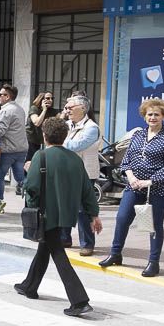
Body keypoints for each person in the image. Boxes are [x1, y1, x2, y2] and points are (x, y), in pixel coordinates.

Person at [15, 117, 101, 316]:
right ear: (65, 136)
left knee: (58, 254)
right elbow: (87, 190)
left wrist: (28, 172)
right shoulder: (75, 159)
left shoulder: (41, 156)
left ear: (44, 136)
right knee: (45, 247)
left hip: (46, 215)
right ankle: (29, 285)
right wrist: (93, 214)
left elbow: (32, 187)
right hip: (66, 215)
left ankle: (79, 300)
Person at [99, 98, 164, 277]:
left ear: (163, 116)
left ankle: (153, 262)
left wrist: (150, 181)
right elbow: (126, 160)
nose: (152, 117)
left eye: (156, 115)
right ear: (144, 116)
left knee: (153, 225)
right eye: (149, 114)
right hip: (134, 185)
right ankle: (115, 253)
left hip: (157, 188)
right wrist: (131, 176)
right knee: (122, 218)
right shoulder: (137, 135)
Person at [61, 96, 101, 256]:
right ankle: (64, 238)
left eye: (71, 107)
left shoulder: (91, 127)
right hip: (65, 171)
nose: (67, 109)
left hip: (85, 173)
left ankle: (87, 244)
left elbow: (77, 146)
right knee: (63, 206)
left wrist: (58, 141)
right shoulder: (67, 125)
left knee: (82, 210)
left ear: (83, 109)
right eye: (66, 107)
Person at [0, 84, 28, 207]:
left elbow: (0, 131)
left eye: (1, 94)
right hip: (21, 148)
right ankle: (34, 200)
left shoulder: (6, 110)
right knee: (21, 178)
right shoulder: (19, 108)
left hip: (8, 149)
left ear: (7, 97)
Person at [26, 91, 59, 160]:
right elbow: (36, 122)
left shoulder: (52, 111)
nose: (50, 100)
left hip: (43, 140)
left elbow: (60, 119)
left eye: (52, 98)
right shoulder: (34, 108)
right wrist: (44, 110)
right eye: (47, 98)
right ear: (41, 99)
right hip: (31, 139)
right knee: (31, 160)